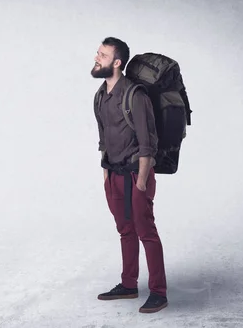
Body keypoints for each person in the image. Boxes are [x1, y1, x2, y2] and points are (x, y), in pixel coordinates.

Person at [91, 37, 168, 313]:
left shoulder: (134, 95)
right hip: (113, 176)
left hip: (137, 174)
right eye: (97, 52)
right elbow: (103, 140)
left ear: (117, 62)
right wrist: (105, 176)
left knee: (146, 231)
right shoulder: (100, 95)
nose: (96, 57)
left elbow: (149, 144)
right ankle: (129, 284)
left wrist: (142, 181)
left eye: (102, 54)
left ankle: (159, 292)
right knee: (125, 231)